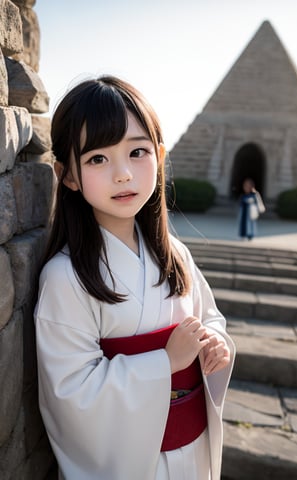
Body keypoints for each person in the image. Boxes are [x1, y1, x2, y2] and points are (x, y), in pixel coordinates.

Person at [34, 75, 235, 480]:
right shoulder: (64, 276)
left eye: (137, 152)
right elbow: (70, 392)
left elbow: (208, 317)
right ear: (67, 175)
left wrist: (215, 344)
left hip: (193, 451)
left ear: (160, 157)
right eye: (97, 159)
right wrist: (165, 362)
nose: (123, 174)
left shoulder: (176, 255)